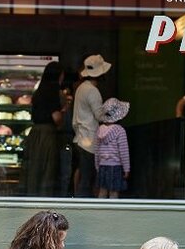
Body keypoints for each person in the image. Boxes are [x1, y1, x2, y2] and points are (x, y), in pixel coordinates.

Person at [25, 61, 67, 196]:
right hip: (47, 134)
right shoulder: (55, 92)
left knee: (34, 171)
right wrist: (65, 111)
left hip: (35, 134)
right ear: (58, 76)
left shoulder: (38, 92)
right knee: (47, 171)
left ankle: (32, 199)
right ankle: (43, 201)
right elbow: (56, 118)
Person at [72, 54, 111, 197]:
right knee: (87, 180)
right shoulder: (92, 91)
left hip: (79, 138)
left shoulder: (81, 88)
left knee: (81, 175)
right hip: (89, 140)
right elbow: (99, 116)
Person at [94, 98, 130, 199]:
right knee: (114, 193)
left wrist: (97, 166)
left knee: (102, 192)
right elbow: (123, 151)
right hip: (115, 167)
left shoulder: (99, 130)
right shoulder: (120, 131)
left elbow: (97, 151)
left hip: (102, 166)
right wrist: (126, 169)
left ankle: (100, 213)